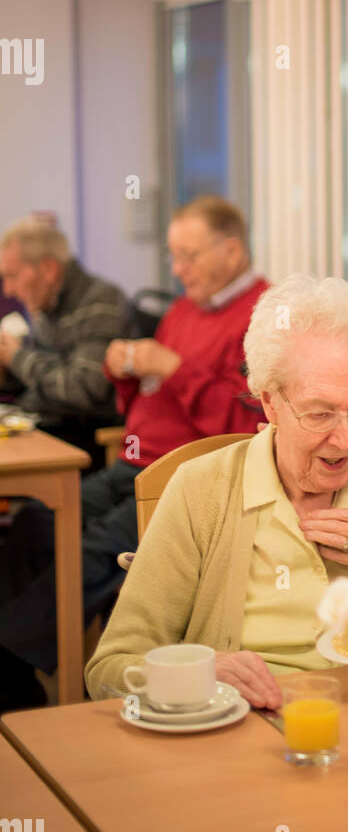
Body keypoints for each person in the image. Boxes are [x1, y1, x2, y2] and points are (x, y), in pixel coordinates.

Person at [86, 275, 348, 709]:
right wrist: (198, 672)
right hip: (242, 732)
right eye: (319, 414)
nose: (345, 441)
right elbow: (109, 670)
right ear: (270, 401)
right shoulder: (201, 490)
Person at [0, 196, 268, 713]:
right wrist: (125, 373)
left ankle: (10, 674)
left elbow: (250, 427)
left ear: (232, 251)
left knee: (89, 551)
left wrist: (171, 367)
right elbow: (150, 397)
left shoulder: (261, 315)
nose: (177, 269)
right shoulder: (185, 309)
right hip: (133, 461)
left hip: (186, 477)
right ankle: (22, 674)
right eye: (174, 256)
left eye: (189, 256)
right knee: (34, 521)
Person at [0, 217, 131, 455]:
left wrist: (16, 358)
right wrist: (7, 369)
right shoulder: (47, 302)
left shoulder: (101, 301)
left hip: (86, 436)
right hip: (48, 424)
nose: (7, 289)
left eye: (13, 275)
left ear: (48, 270)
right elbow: (43, 375)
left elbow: (84, 390)